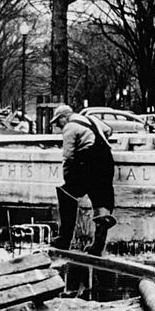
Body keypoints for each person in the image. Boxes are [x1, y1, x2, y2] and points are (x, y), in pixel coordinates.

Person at [50, 104, 116, 255]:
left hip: (88, 162)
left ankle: (65, 239)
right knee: (102, 199)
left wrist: (67, 176)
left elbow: (68, 156)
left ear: (64, 117)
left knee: (66, 193)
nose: (58, 126)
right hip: (106, 160)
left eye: (57, 122)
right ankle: (98, 245)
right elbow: (108, 130)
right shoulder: (91, 119)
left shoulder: (69, 127)